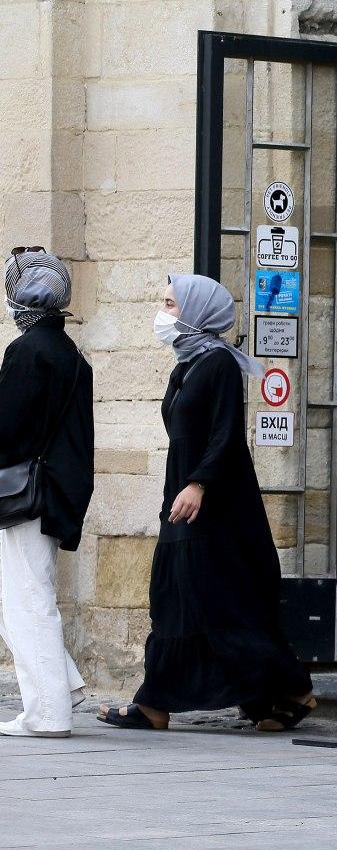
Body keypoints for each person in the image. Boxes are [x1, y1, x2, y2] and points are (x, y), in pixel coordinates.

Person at [98, 274, 314, 732]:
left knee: (220, 601)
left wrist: (198, 483)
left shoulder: (217, 364)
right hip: (183, 497)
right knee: (174, 596)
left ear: (197, 312)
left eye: (171, 303)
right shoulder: (186, 365)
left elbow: (226, 434)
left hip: (215, 504)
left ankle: (291, 688)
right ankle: (160, 701)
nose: (164, 311)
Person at [0, 248, 93, 738]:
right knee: (26, 594)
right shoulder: (71, 355)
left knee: (28, 600)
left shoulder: (28, 351)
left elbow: (7, 428)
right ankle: (64, 687)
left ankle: (47, 712)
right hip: (56, 492)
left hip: (26, 495)